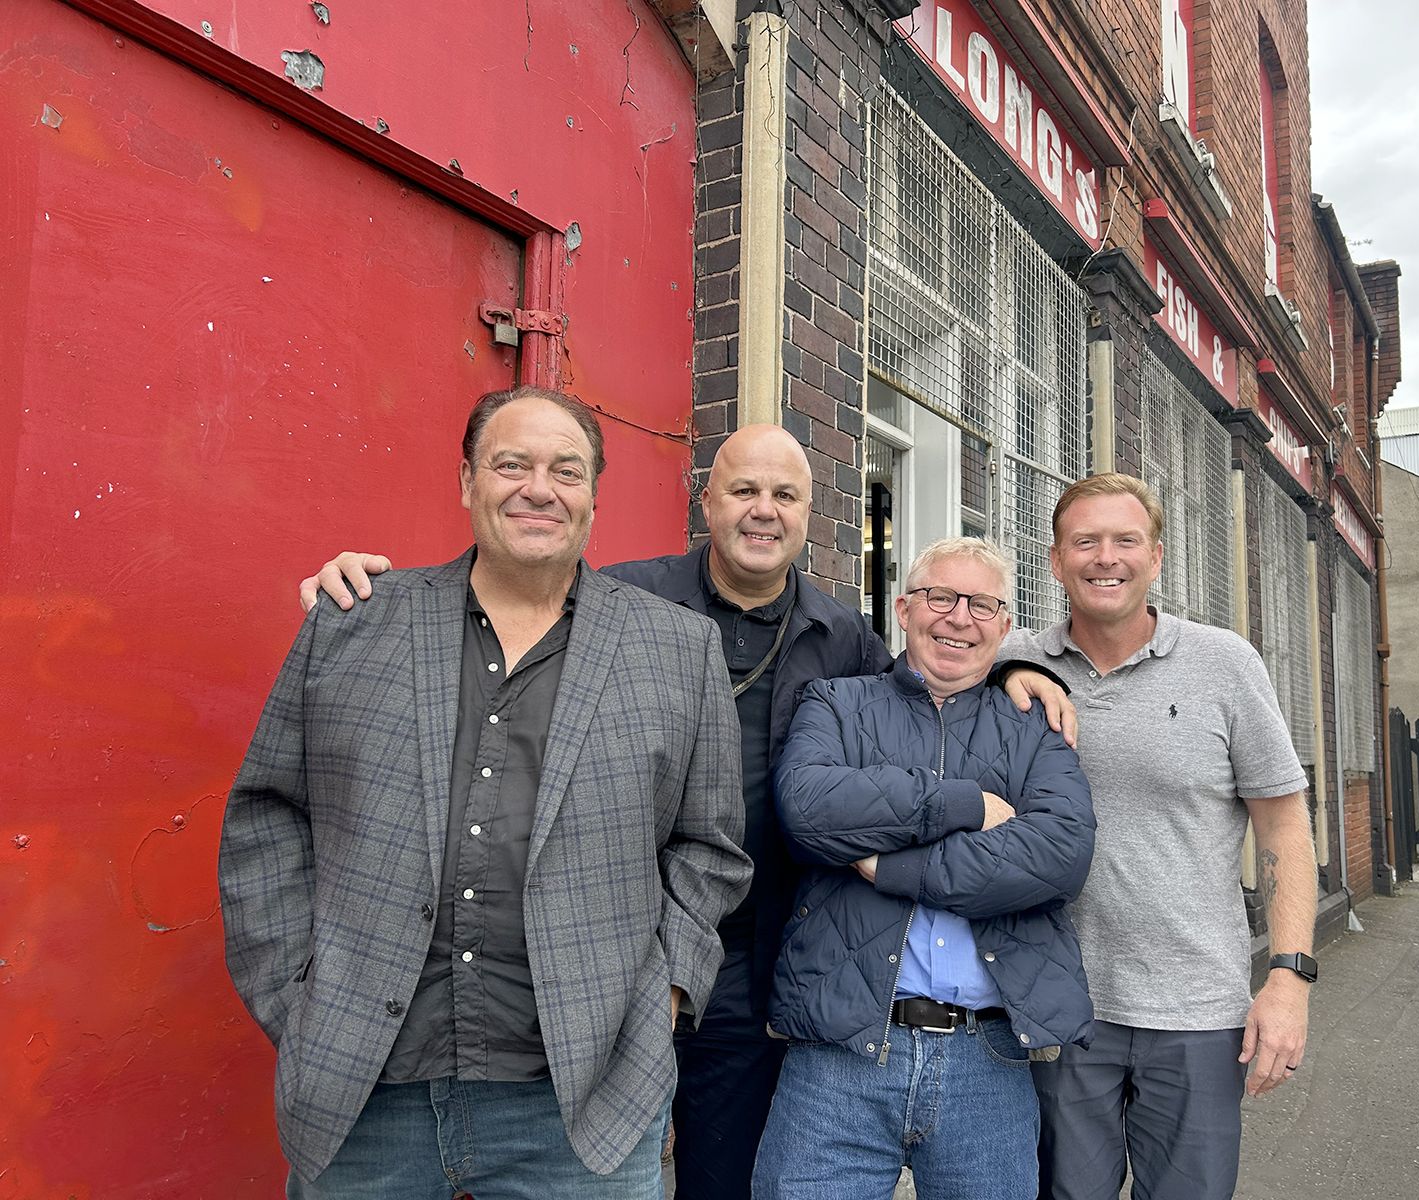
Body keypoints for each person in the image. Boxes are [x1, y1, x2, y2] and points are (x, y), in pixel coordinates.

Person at [294, 425, 1075, 1200]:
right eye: (743, 490)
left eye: (785, 495)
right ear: (708, 501)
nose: (763, 511)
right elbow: (508, 600)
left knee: (720, 1174)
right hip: (617, 953)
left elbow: (932, 685)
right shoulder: (622, 600)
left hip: (761, 958)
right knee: (591, 1169)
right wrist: (369, 595)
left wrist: (1015, 669)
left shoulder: (844, 640)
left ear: (810, 514)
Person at [220, 385, 751, 1198]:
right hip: (368, 1092)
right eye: (512, 464)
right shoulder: (355, 619)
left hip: (584, 1101)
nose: (539, 487)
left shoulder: (678, 648)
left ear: (594, 497)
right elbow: (267, 817)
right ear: (468, 481)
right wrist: (298, 993)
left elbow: (708, 847)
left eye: (565, 470)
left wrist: (666, 995)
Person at [1003, 472, 1318, 1200]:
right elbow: (926, 664)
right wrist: (1008, 669)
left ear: (1157, 558)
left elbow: (1282, 820)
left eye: (1125, 541)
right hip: (1060, 1004)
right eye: (1085, 541)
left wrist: (1289, 979)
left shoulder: (1224, 664)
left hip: (1198, 1015)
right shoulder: (1016, 659)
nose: (1104, 558)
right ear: (1055, 560)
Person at [750, 537, 1096, 1200]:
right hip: (841, 1053)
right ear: (905, 609)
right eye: (941, 597)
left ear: (1004, 625)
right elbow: (809, 808)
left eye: (981, 604)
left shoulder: (1034, 727)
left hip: (987, 1059)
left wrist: (889, 866)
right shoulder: (836, 703)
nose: (958, 617)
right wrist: (965, 804)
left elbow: (1059, 854)